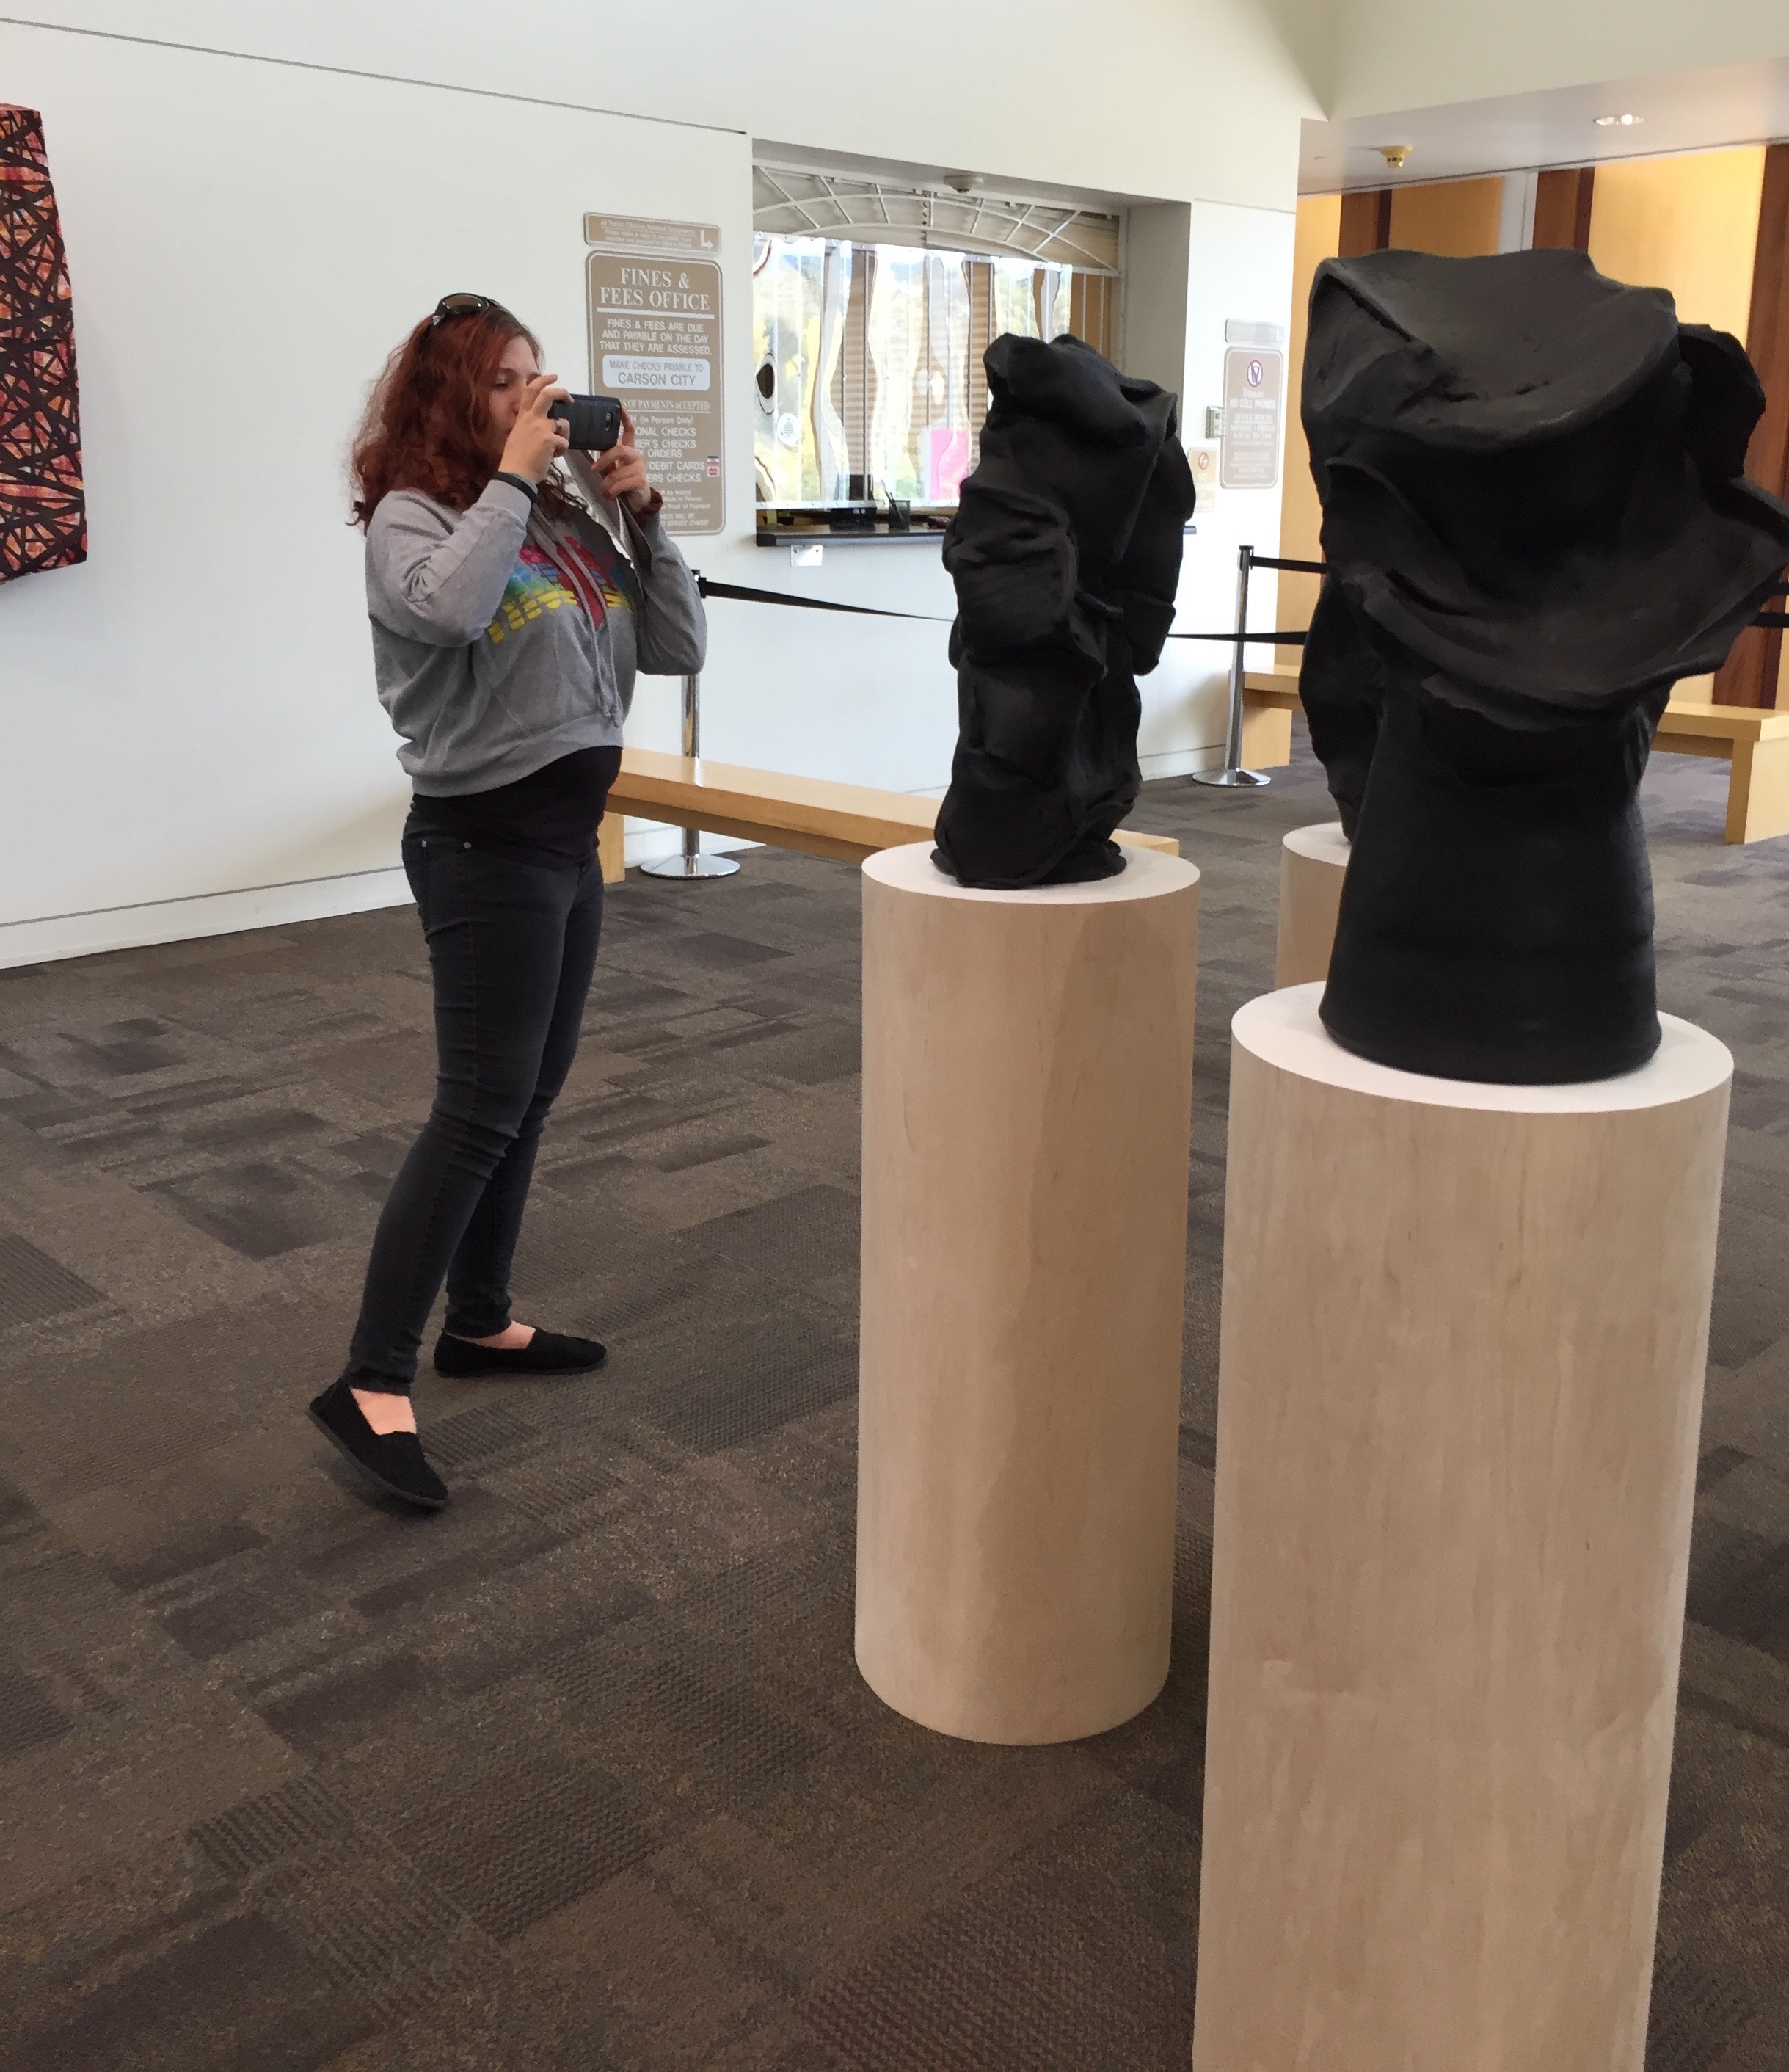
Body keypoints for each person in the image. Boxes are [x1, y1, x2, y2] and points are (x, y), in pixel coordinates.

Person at [308, 293, 705, 1510]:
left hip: (564, 846)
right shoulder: (412, 518)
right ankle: (370, 1380)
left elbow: (676, 646)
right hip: (482, 847)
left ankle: (478, 1320)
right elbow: (449, 609)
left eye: (539, 377)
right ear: (444, 399)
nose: (534, 398)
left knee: (526, 1096)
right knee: (478, 1108)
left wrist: (639, 510)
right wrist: (518, 478)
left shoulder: (564, 514)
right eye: (502, 381)